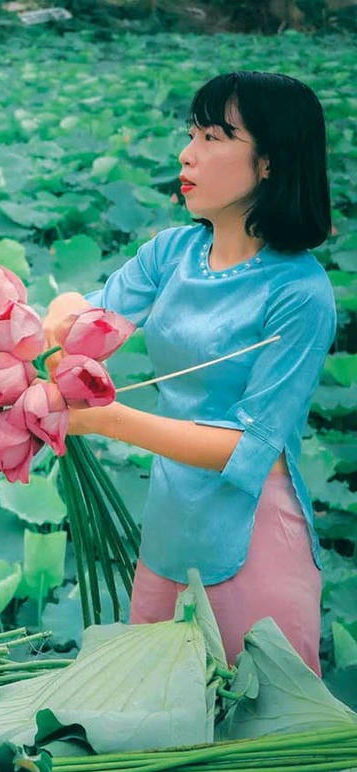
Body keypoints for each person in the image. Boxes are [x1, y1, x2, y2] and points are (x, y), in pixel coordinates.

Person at [44, 72, 335, 673]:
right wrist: (58, 315)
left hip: (252, 537)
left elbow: (246, 446)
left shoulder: (301, 293)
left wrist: (111, 420)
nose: (187, 153)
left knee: (245, 741)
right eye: (191, 133)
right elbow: (93, 322)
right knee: (156, 725)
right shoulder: (172, 253)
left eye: (215, 136)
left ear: (270, 165)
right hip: (169, 529)